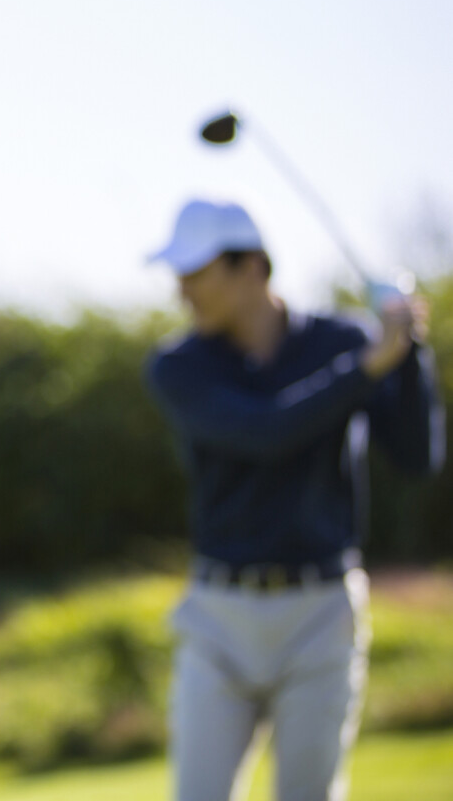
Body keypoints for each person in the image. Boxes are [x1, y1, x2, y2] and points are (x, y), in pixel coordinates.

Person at [144, 198, 443, 801]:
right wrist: (368, 366)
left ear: (252, 267)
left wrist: (408, 354)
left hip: (321, 613)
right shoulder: (178, 365)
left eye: (196, 273)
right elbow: (264, 433)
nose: (182, 291)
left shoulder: (343, 341)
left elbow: (416, 458)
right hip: (219, 619)